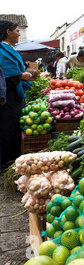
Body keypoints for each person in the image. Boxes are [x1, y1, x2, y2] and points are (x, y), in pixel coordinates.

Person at [0, 20, 38, 170]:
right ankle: (6, 163)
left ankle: (11, 161)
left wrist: (24, 75)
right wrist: (21, 76)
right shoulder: (2, 50)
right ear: (8, 32)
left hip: (15, 95)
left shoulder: (10, 49)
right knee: (7, 129)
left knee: (13, 128)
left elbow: (15, 72)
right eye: (17, 30)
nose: (19, 33)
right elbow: (4, 76)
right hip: (7, 97)